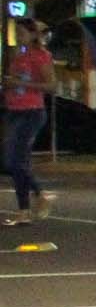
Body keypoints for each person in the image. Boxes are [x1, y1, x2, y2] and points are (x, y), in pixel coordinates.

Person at [3, 21, 55, 223]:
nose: (18, 35)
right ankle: (23, 211)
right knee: (16, 162)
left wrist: (20, 83)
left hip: (31, 112)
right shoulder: (19, 57)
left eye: (21, 32)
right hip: (14, 111)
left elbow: (51, 86)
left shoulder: (41, 56)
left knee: (14, 161)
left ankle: (40, 194)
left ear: (33, 34)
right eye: (16, 32)